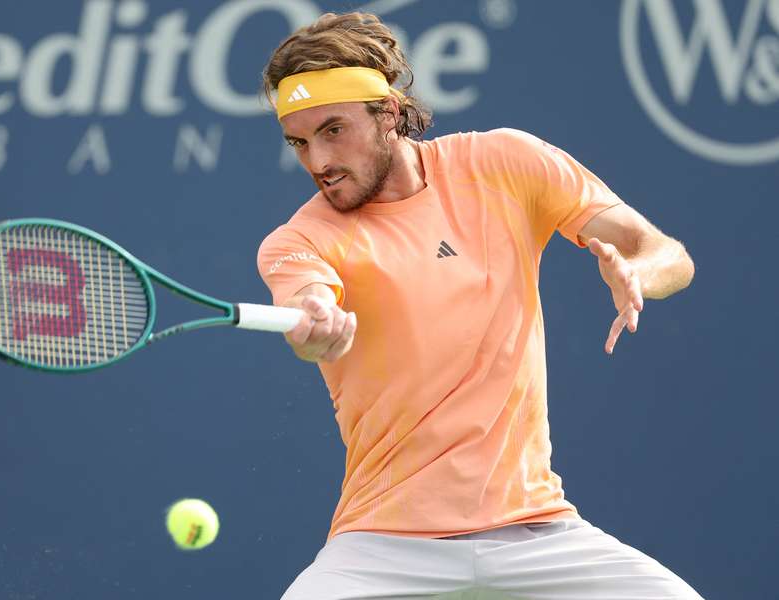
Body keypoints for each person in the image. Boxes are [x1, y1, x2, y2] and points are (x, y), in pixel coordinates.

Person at [257, 12, 701, 600]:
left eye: (333, 130)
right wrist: (317, 325)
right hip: (385, 545)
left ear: (389, 112)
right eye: (300, 142)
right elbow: (310, 303)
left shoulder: (504, 163)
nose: (318, 162)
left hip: (538, 531)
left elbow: (664, 252)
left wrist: (639, 273)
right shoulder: (298, 241)